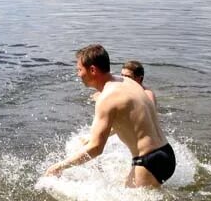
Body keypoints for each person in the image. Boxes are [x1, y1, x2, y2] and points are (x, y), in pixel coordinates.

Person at [45, 44, 175, 188]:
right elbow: (131, 122)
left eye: (80, 70)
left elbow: (96, 148)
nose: (78, 74)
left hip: (148, 162)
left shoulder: (107, 98)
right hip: (166, 153)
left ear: (92, 70)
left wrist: (59, 167)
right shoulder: (127, 82)